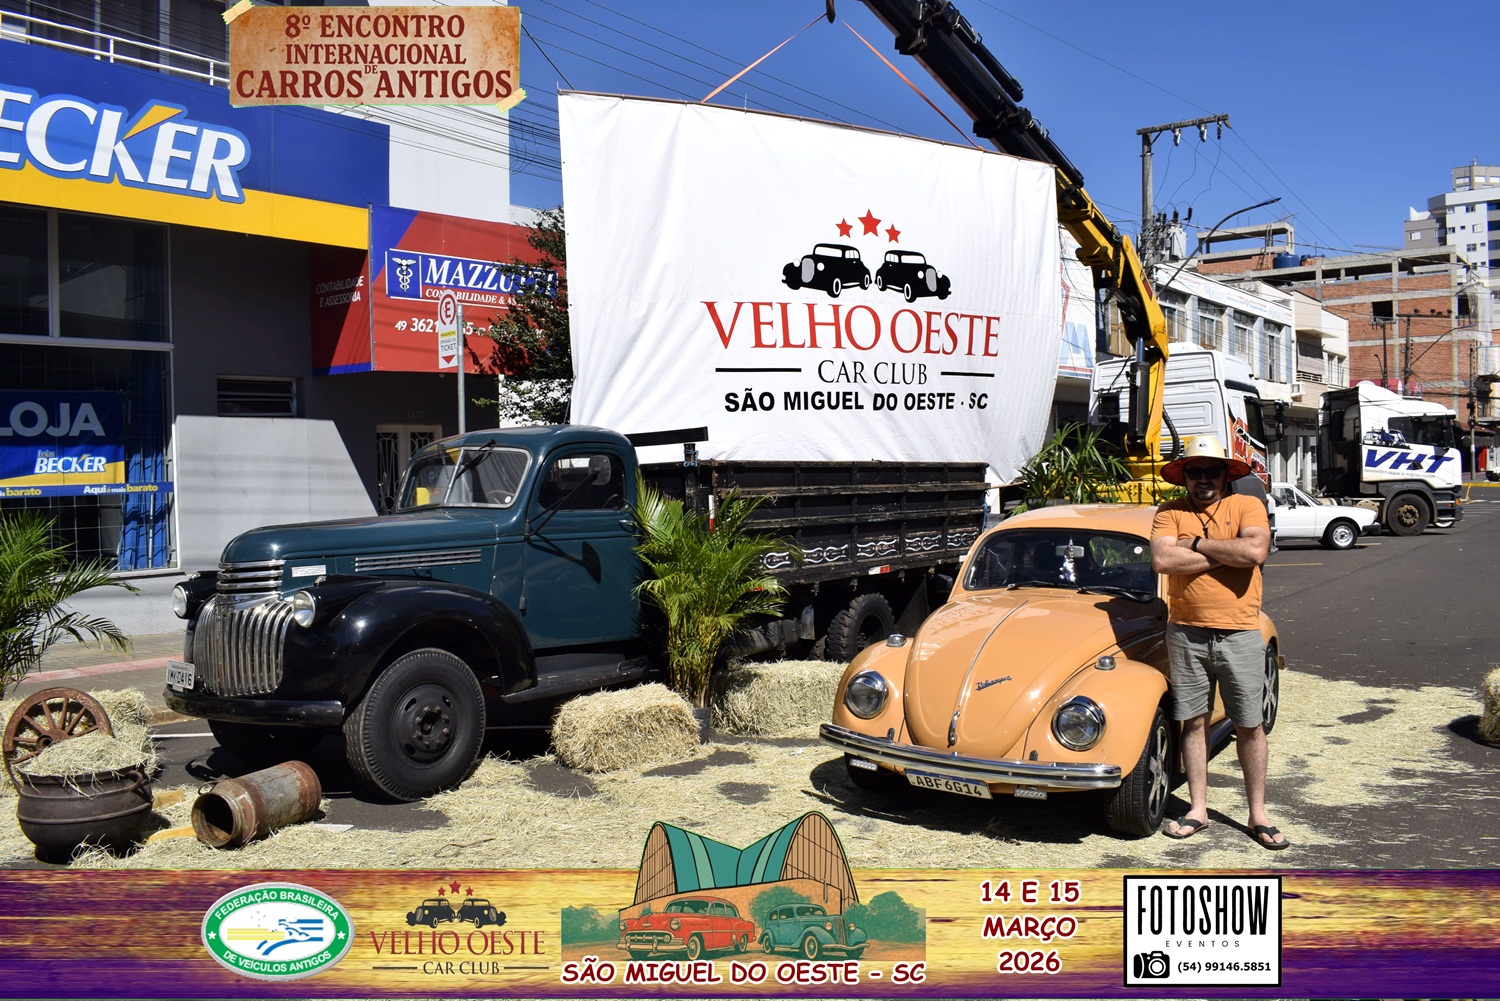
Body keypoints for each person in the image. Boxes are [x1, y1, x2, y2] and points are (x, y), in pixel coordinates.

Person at [1149, 435, 1288, 850]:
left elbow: (1256, 551)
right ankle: (1197, 809)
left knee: (1250, 725)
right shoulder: (1169, 511)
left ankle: (1258, 814)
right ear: (1185, 476)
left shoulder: (1246, 505)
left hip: (1240, 631)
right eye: (1196, 471)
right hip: (1186, 631)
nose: (1204, 479)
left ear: (1225, 475)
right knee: (1193, 722)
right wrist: (1229, 553)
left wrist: (1194, 545)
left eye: (1212, 471)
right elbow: (1162, 560)